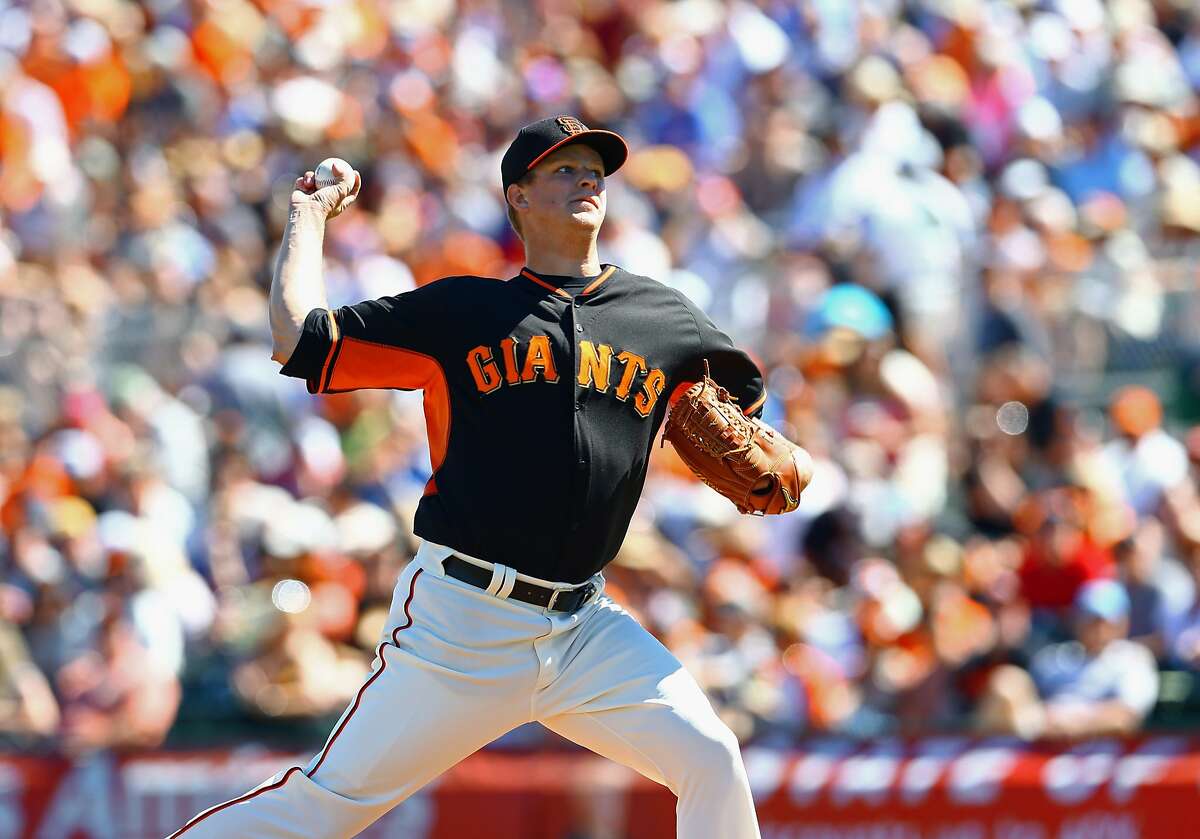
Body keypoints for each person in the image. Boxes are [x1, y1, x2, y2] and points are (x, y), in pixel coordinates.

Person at [170, 116, 811, 838]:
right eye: (562, 169)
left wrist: (799, 464)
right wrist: (307, 214)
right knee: (325, 804)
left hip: (584, 628)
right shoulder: (465, 312)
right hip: (462, 623)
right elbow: (299, 338)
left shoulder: (665, 320)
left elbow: (768, 437)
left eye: (594, 168)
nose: (587, 179)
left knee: (711, 757)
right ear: (518, 198)